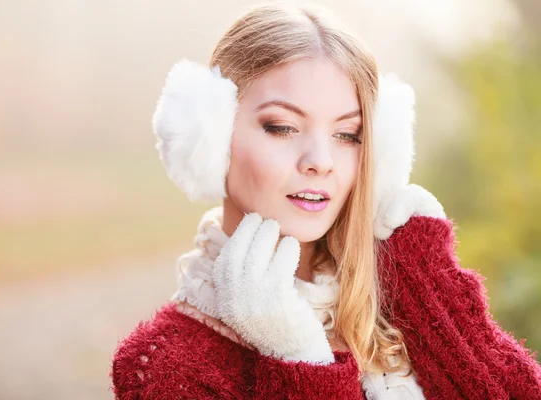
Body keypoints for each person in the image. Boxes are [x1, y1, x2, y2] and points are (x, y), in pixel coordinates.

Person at [110, 3, 541, 399]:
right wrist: (298, 363)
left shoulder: (400, 295)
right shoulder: (165, 366)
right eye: (282, 127)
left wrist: (428, 286)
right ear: (211, 134)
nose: (321, 162)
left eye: (347, 135)